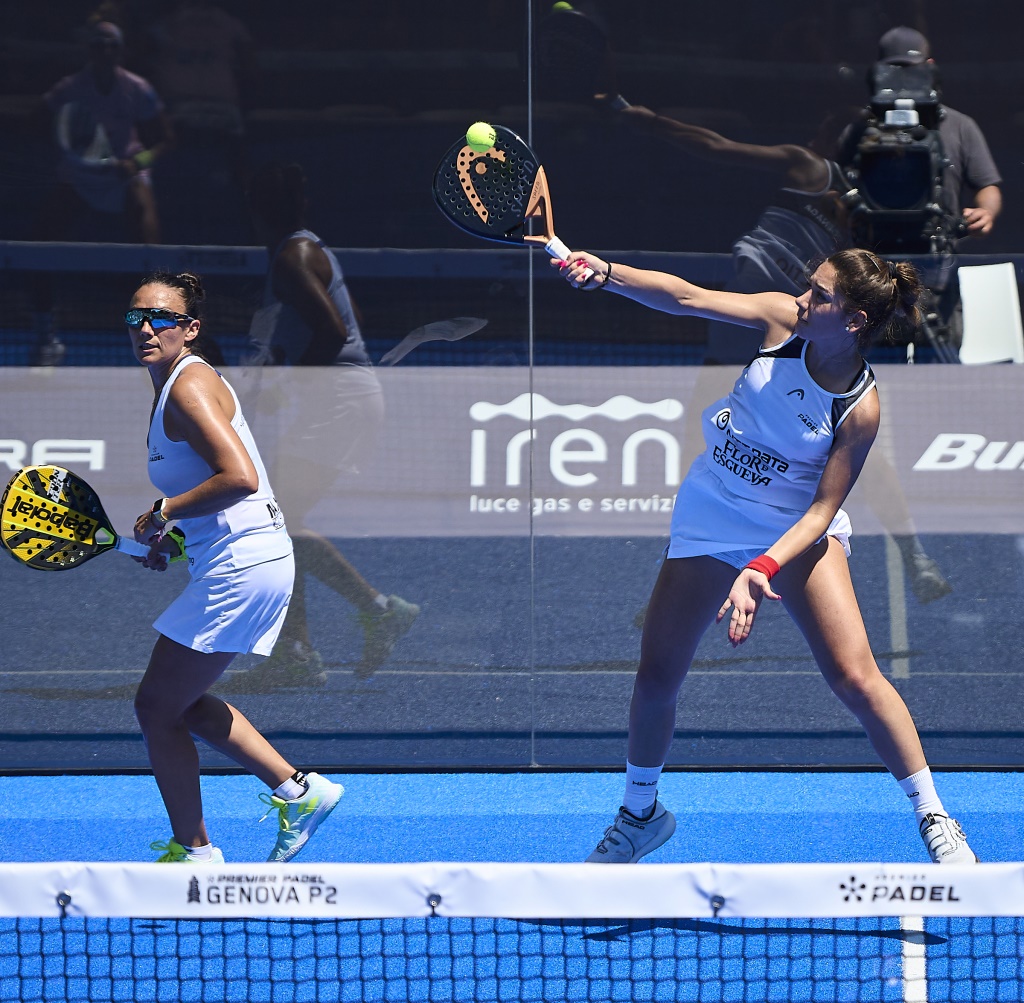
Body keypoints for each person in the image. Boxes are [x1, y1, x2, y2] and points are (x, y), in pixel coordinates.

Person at [555, 247, 977, 866]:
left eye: (820, 295)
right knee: (657, 674)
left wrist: (760, 568)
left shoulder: (860, 407)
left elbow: (820, 512)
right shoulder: (783, 322)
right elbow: (686, 296)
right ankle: (640, 813)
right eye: (808, 287)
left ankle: (934, 815)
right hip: (714, 509)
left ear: (854, 320)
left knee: (855, 677)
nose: (803, 299)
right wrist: (608, 275)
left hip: (794, 528)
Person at [611, 103, 951, 604]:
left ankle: (912, 550)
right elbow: (714, 148)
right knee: (710, 446)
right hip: (751, 327)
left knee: (857, 461)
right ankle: (688, 571)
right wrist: (642, 117)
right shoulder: (810, 169)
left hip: (822, 346)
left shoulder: (868, 230)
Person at [127, 269, 342, 863]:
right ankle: (299, 790)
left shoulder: (189, 386)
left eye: (161, 318)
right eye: (136, 317)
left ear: (189, 329)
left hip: (244, 567)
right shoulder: (173, 384)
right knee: (178, 702)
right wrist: (177, 541)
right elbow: (220, 490)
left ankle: (193, 851)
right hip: (243, 558)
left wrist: (165, 511)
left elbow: (240, 477)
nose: (146, 328)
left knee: (154, 707)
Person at [219, 162, 418, 693]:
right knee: (277, 520)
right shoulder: (300, 251)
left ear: (252, 206)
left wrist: (295, 388)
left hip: (337, 401)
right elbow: (338, 325)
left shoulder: (290, 257)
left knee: (273, 522)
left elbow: (330, 333)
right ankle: (297, 653)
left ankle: (375, 611)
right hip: (343, 397)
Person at [836, 26, 1002, 351]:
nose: (902, 76)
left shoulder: (959, 126)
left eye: (910, 69)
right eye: (894, 68)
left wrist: (985, 212)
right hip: (875, 273)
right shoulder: (858, 129)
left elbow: (988, 185)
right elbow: (836, 187)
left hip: (937, 269)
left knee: (940, 375)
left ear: (929, 67)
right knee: (871, 371)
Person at [32, 20, 172, 365]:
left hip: (126, 174)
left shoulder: (138, 88)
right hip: (80, 176)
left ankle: (157, 333)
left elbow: (165, 139)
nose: (105, 52)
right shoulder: (69, 89)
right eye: (99, 45)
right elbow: (38, 118)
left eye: (112, 45)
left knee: (150, 251)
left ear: (120, 51)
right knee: (37, 245)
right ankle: (46, 334)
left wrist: (136, 160)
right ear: (89, 50)